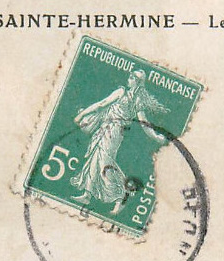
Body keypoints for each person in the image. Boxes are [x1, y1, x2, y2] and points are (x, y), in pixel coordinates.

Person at [70, 69, 171, 214]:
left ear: (137, 81)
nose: (128, 79)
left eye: (132, 77)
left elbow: (102, 105)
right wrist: (155, 136)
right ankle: (87, 194)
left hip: (113, 132)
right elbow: (142, 122)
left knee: (105, 162)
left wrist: (81, 115)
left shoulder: (125, 94)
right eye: (130, 76)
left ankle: (122, 195)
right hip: (107, 129)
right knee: (95, 158)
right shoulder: (135, 99)